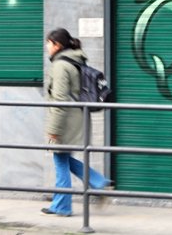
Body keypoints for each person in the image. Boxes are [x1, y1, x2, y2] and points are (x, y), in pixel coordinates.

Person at [42, 27, 111, 217]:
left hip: (65, 122)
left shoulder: (60, 65)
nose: (47, 47)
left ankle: (63, 206)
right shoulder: (75, 60)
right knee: (63, 159)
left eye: (48, 43)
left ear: (57, 45)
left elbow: (60, 99)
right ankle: (98, 183)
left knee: (60, 160)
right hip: (76, 118)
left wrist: (52, 130)